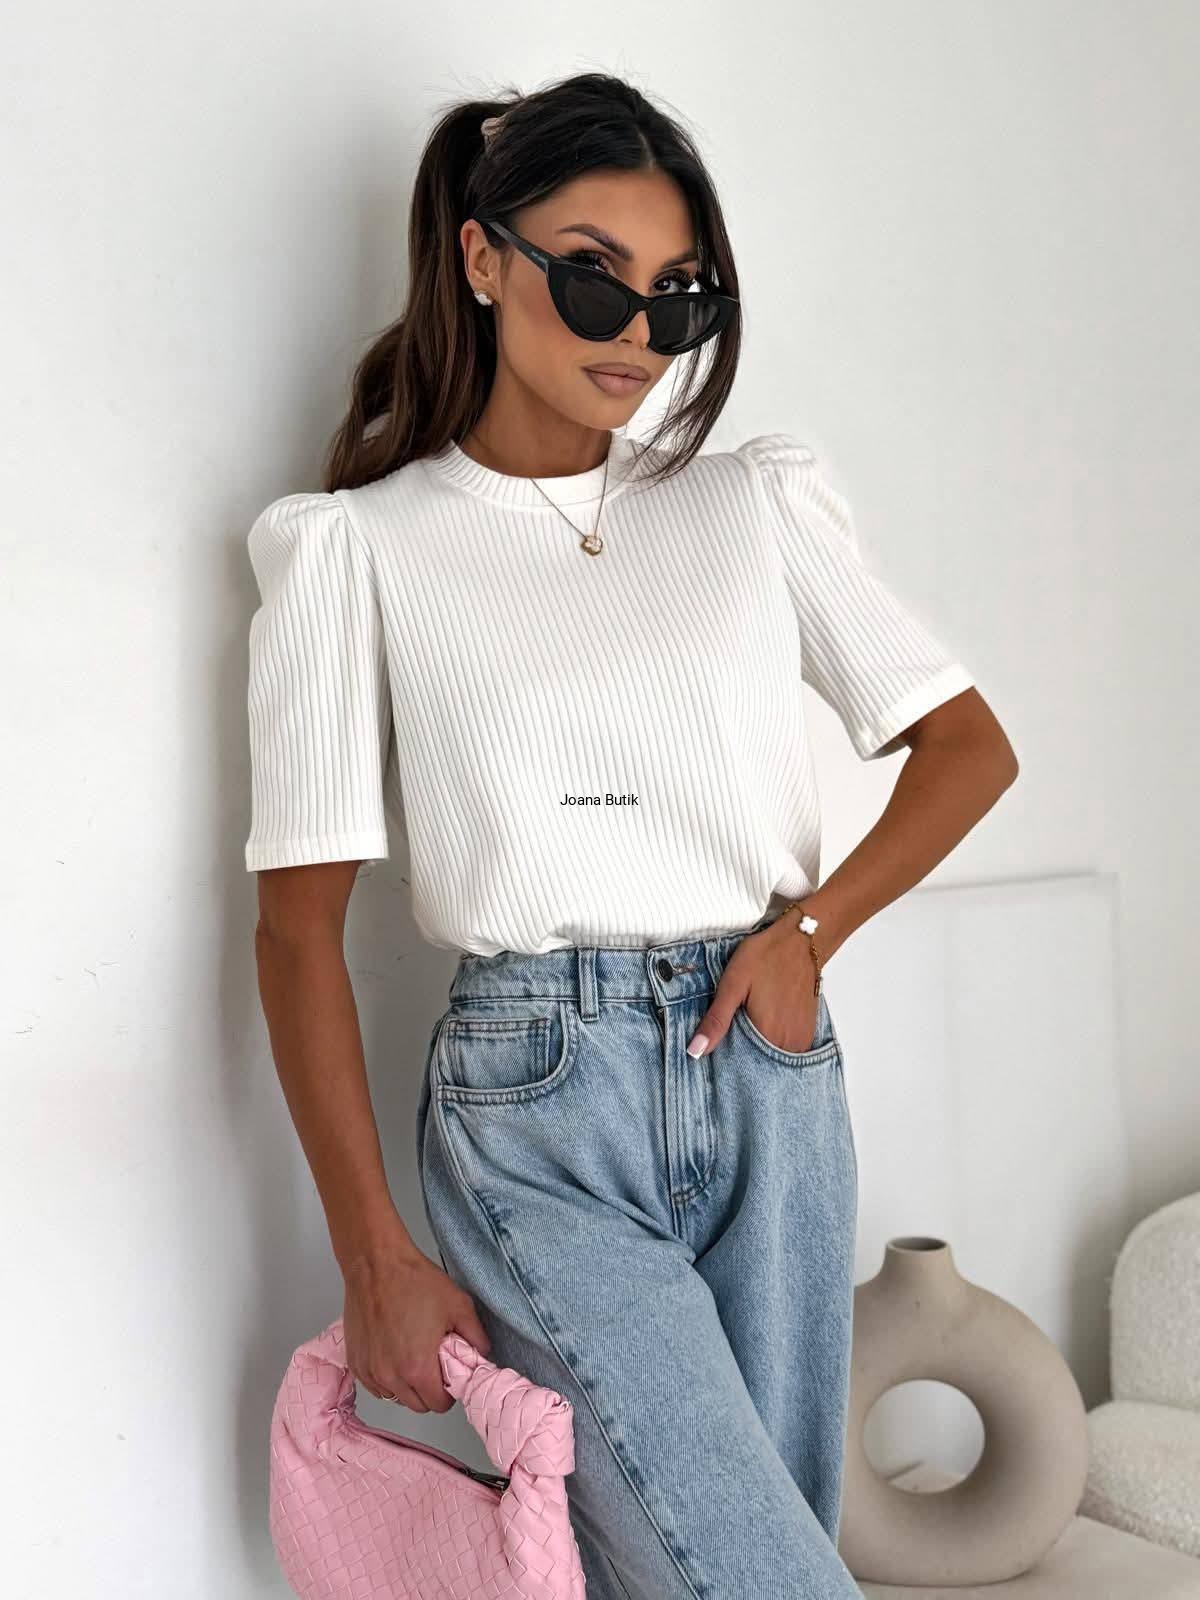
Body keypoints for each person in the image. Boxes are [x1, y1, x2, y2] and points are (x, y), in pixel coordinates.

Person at [244, 69, 1018, 1600]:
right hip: (538, 1101)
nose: (638, 334)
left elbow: (967, 750)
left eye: (680, 295)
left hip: (770, 1068)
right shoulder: (360, 550)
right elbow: (294, 931)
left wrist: (808, 937)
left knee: (728, 1553)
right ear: (482, 258)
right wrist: (372, 1250)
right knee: (752, 1572)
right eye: (595, 274)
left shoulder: (748, 507)